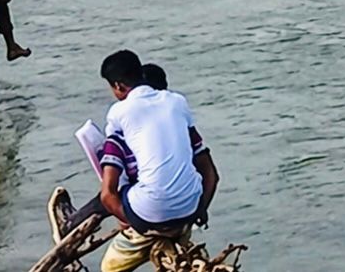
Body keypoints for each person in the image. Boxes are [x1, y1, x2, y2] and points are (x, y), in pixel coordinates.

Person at [48, 51, 219, 272]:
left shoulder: (119, 112)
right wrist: (199, 210)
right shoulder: (178, 102)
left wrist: (133, 223)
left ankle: (71, 225)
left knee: (109, 267)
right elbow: (211, 175)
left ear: (118, 86)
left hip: (147, 214)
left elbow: (108, 195)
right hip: (189, 209)